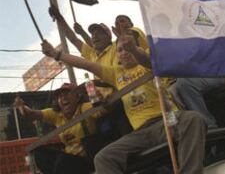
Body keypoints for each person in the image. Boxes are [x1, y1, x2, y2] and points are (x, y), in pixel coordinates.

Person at [41, 34, 206, 174]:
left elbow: (146, 60)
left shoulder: (148, 59)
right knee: (103, 158)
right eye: (119, 50)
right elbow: (87, 64)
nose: (124, 52)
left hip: (167, 120)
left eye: (128, 48)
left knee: (193, 119)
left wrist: (133, 48)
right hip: (140, 132)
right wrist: (56, 55)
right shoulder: (116, 73)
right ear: (117, 56)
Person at [14, 83, 103, 174]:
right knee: (39, 153)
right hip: (70, 159)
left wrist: (101, 100)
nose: (63, 98)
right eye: (60, 96)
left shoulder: (84, 107)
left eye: (67, 94)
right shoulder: (56, 115)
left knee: (63, 162)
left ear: (77, 97)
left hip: (88, 159)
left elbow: (104, 108)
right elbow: (31, 114)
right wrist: (22, 107)